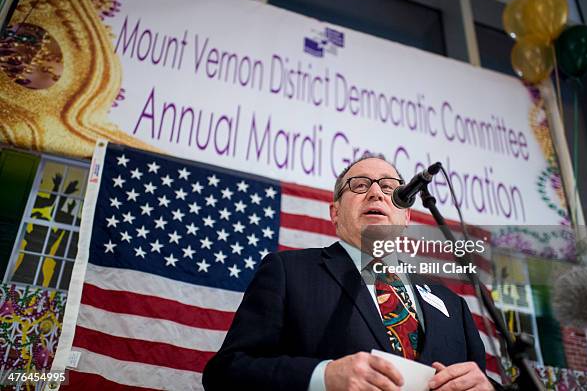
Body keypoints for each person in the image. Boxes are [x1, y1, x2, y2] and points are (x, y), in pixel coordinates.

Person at [203, 154, 495, 391]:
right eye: (359, 185)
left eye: (389, 187)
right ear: (335, 213)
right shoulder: (288, 273)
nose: (376, 193)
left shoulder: (453, 304)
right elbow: (226, 373)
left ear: (405, 217)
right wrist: (323, 377)